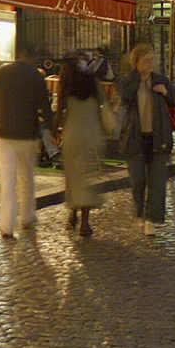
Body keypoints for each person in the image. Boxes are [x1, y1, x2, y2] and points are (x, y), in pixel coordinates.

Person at [0, 51, 52, 240]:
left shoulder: (1, 73)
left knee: (6, 181)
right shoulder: (35, 76)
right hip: (27, 133)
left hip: (4, 132)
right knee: (26, 177)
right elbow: (45, 105)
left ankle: (6, 225)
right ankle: (27, 216)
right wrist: (50, 126)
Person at [116, 43, 175, 224]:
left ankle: (152, 219)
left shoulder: (160, 80)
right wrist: (138, 77)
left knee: (157, 181)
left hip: (158, 137)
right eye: (146, 60)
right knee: (138, 180)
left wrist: (165, 92)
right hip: (135, 137)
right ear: (136, 62)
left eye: (152, 59)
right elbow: (125, 96)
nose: (150, 63)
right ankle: (139, 212)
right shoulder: (128, 81)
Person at [58, 60, 106, 237]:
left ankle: (73, 212)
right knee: (86, 180)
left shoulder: (67, 88)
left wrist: (55, 132)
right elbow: (103, 109)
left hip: (72, 137)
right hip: (91, 137)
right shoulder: (93, 86)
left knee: (73, 178)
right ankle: (85, 222)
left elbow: (60, 113)